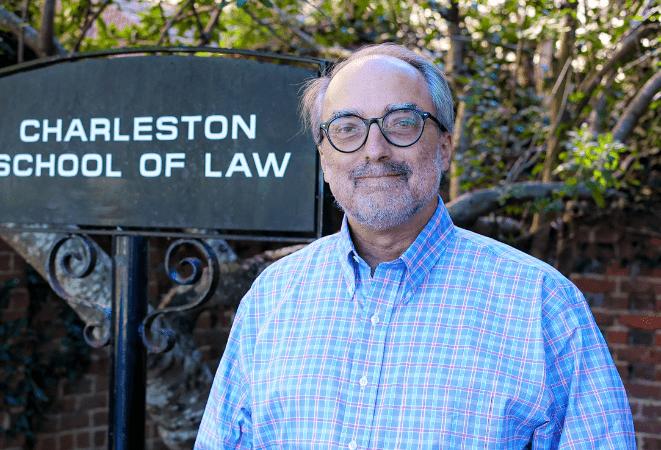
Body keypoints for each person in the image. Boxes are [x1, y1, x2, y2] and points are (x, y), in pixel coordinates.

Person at [194, 43, 635, 449]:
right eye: (347, 128)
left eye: (402, 122)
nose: (374, 149)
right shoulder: (271, 298)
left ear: (444, 147)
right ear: (325, 159)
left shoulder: (542, 304)